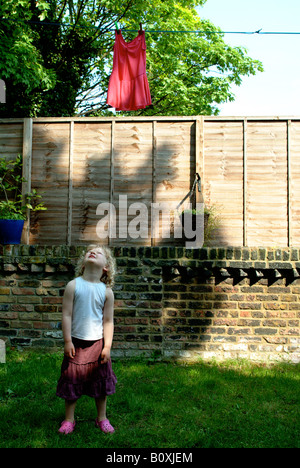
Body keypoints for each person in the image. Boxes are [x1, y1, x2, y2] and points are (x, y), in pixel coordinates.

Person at [56, 244, 117, 434]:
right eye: (90, 251)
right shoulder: (73, 285)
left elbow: (108, 321)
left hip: (97, 345)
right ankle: (69, 420)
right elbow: (66, 315)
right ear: (83, 262)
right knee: (71, 381)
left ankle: (102, 418)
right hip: (76, 344)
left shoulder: (106, 292)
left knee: (101, 384)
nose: (93, 252)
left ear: (106, 266)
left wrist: (107, 347)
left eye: (99, 253)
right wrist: (67, 341)